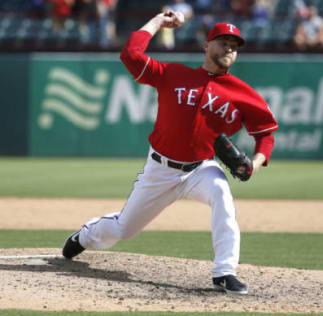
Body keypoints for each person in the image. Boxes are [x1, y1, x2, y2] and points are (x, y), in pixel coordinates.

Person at [62, 10, 278, 295]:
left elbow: (265, 135)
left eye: (234, 46)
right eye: (223, 42)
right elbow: (130, 55)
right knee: (125, 229)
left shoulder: (243, 93)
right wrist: (157, 22)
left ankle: (225, 272)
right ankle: (86, 234)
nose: (229, 49)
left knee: (223, 198)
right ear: (207, 45)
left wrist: (256, 163)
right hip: (160, 169)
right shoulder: (173, 74)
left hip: (202, 168)